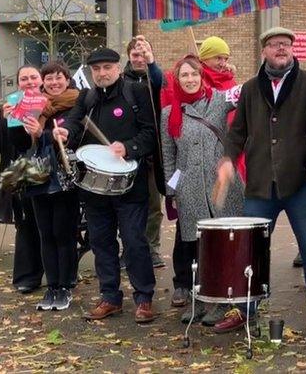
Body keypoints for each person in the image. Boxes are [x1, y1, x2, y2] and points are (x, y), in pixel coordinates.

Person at [215, 27, 306, 334]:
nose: (281, 49)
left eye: (286, 44)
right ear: (263, 50)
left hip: (301, 183)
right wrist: (228, 158)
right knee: (249, 248)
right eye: (274, 45)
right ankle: (244, 308)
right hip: (261, 183)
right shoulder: (251, 88)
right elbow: (237, 131)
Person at [53, 47, 158, 324]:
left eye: (107, 68)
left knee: (135, 242)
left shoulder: (135, 92)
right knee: (101, 243)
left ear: (117, 68)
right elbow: (74, 125)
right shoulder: (86, 97)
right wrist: (65, 132)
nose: (102, 73)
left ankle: (144, 297)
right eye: (96, 69)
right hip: (94, 187)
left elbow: (151, 133)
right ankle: (110, 297)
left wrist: (129, 147)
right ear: (91, 72)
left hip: (130, 185)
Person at [160, 55, 243, 324]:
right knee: (197, 248)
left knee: (224, 245)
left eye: (194, 74)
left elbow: (248, 91)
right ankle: (201, 300)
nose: (190, 79)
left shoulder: (219, 100)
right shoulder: (168, 114)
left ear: (202, 76)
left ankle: (224, 301)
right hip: (189, 187)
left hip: (222, 184)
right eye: (184, 75)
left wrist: (229, 73)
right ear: (177, 80)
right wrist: (172, 190)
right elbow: (168, 154)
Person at [0, 65, 45, 293]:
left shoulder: (50, 104)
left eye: (34, 77)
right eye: (24, 78)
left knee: (45, 227)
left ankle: (57, 277)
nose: (30, 81)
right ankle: (26, 277)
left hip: (43, 175)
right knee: (25, 227)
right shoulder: (7, 109)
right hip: (17, 179)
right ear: (18, 83)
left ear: (41, 80)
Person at [22, 61, 81, 311]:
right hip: (39, 175)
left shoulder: (78, 103)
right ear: (43, 82)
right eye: (49, 79)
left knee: (63, 232)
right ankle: (52, 286)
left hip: (65, 178)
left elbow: (76, 135)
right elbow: (18, 140)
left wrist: (43, 134)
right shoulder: (34, 106)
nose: (54, 83)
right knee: (45, 233)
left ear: (67, 79)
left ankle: (66, 285)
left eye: (59, 77)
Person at [124, 36, 166, 269]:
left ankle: (152, 248)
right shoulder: (122, 81)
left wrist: (152, 64)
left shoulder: (156, 78)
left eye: (144, 54)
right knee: (128, 206)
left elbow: (162, 84)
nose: (139, 59)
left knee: (153, 205)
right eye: (135, 54)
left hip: (153, 154)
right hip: (129, 152)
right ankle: (129, 248)